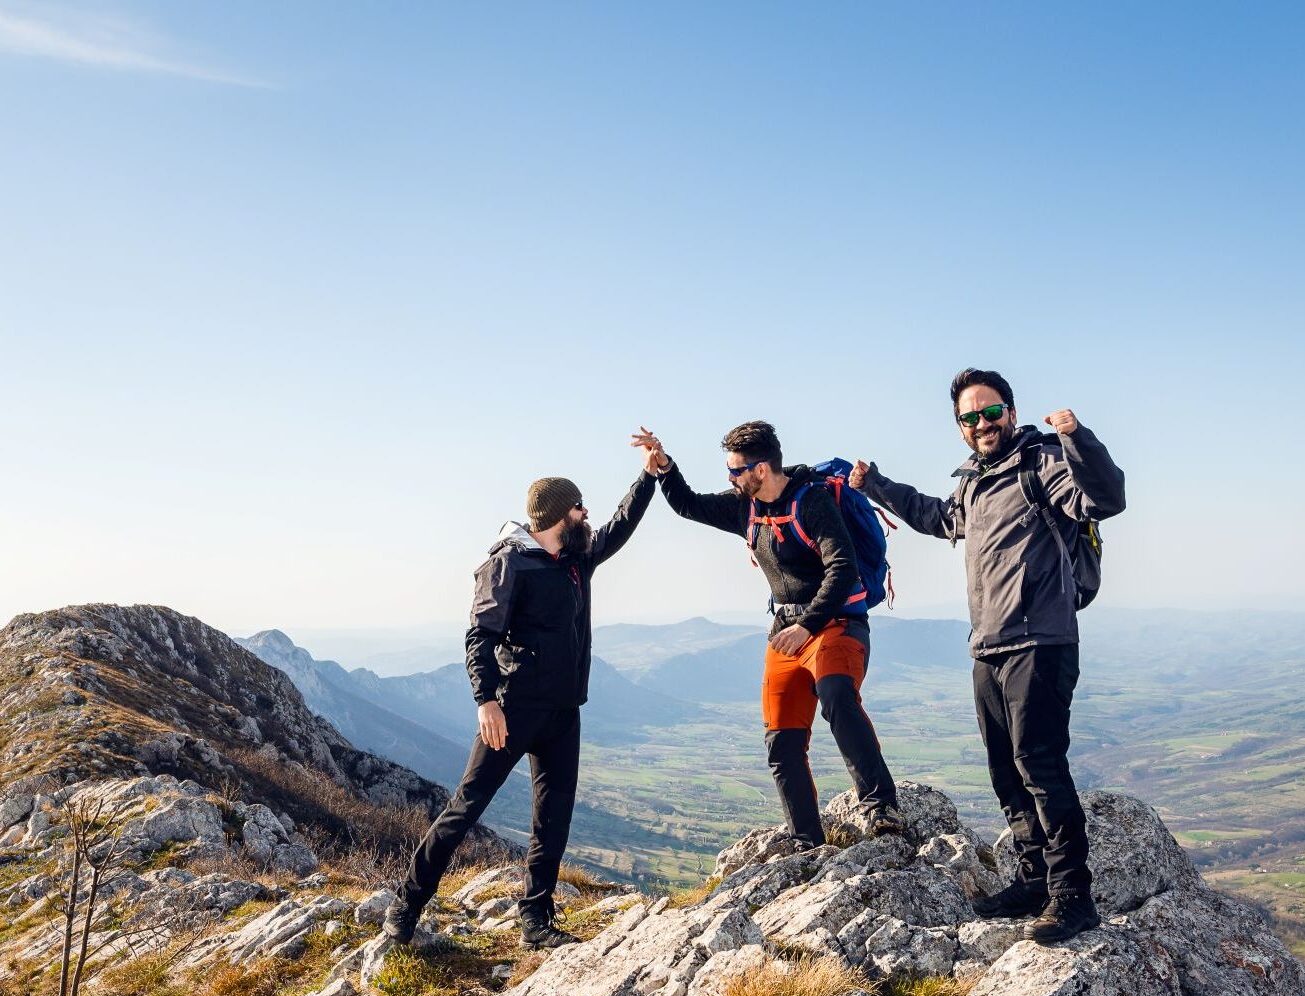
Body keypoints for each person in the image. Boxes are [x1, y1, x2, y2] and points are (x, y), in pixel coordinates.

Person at [850, 368, 1125, 944]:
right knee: (1005, 767)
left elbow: (1106, 498)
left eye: (991, 411)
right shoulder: (973, 483)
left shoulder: (1043, 463)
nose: (982, 423)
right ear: (960, 427)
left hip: (1041, 641)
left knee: (1040, 765)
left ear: (1011, 413)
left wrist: (1077, 437)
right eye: (970, 417)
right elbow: (935, 517)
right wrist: (874, 484)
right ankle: (1034, 878)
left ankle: (1073, 895)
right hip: (989, 644)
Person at [383, 444, 660, 950]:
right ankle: (405, 905)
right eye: (578, 507)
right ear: (557, 515)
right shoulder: (509, 564)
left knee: (553, 818)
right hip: (513, 710)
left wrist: (648, 476)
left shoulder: (575, 559)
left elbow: (619, 527)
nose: (586, 514)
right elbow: (479, 635)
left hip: (564, 710)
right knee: (466, 807)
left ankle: (536, 919)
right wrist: (486, 701)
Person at [633, 422, 902, 850]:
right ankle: (806, 841)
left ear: (761, 469)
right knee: (782, 739)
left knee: (836, 695)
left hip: (836, 623)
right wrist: (665, 466)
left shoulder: (812, 502)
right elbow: (688, 505)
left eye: (735, 471)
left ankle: (881, 807)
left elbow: (842, 568)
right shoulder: (746, 507)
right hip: (786, 632)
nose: (730, 479)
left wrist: (807, 625)